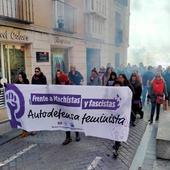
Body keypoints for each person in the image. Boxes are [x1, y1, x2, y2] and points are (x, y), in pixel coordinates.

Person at [55, 70, 80, 145]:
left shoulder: (71, 86)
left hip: (71, 108)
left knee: (73, 121)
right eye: (61, 82)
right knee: (66, 122)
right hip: (64, 107)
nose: (62, 83)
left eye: (63, 82)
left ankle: (77, 135)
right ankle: (68, 137)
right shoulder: (59, 87)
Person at [15, 71, 30, 138]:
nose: (19, 78)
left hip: (25, 102)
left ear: (23, 77)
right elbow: (13, 87)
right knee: (21, 118)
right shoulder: (17, 82)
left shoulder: (26, 82)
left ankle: (26, 131)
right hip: (19, 102)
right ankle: (23, 131)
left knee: (25, 117)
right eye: (19, 77)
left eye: (21, 77)